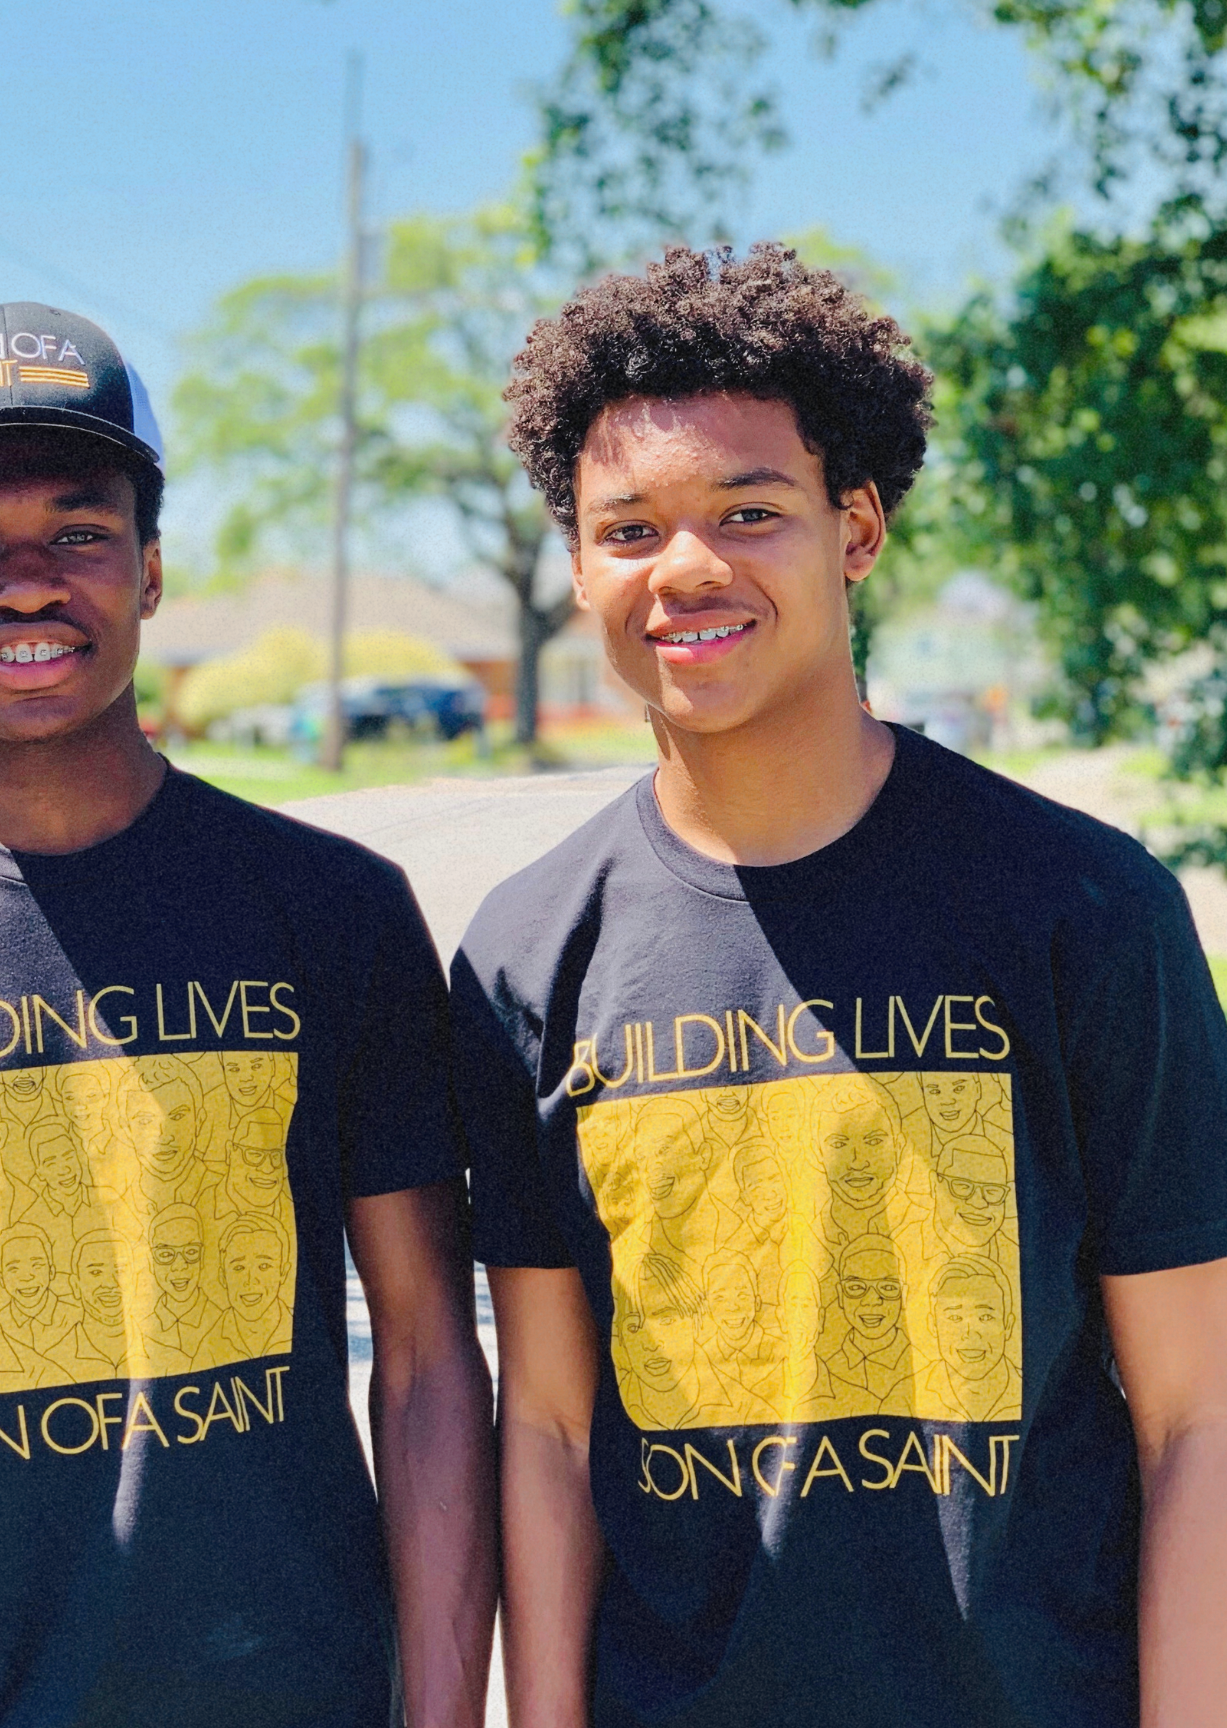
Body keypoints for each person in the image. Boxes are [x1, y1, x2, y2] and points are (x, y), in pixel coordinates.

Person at [0, 302, 496, 1728]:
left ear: (153, 570)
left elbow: (432, 1360)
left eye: (79, 530)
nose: (26, 581)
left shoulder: (334, 913)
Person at [460, 241, 1227, 1726]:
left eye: (750, 512)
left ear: (856, 527)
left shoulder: (1081, 908)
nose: (687, 569)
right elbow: (548, 1432)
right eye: (629, 530)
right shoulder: (525, 953)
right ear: (575, 568)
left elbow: (1195, 1416)